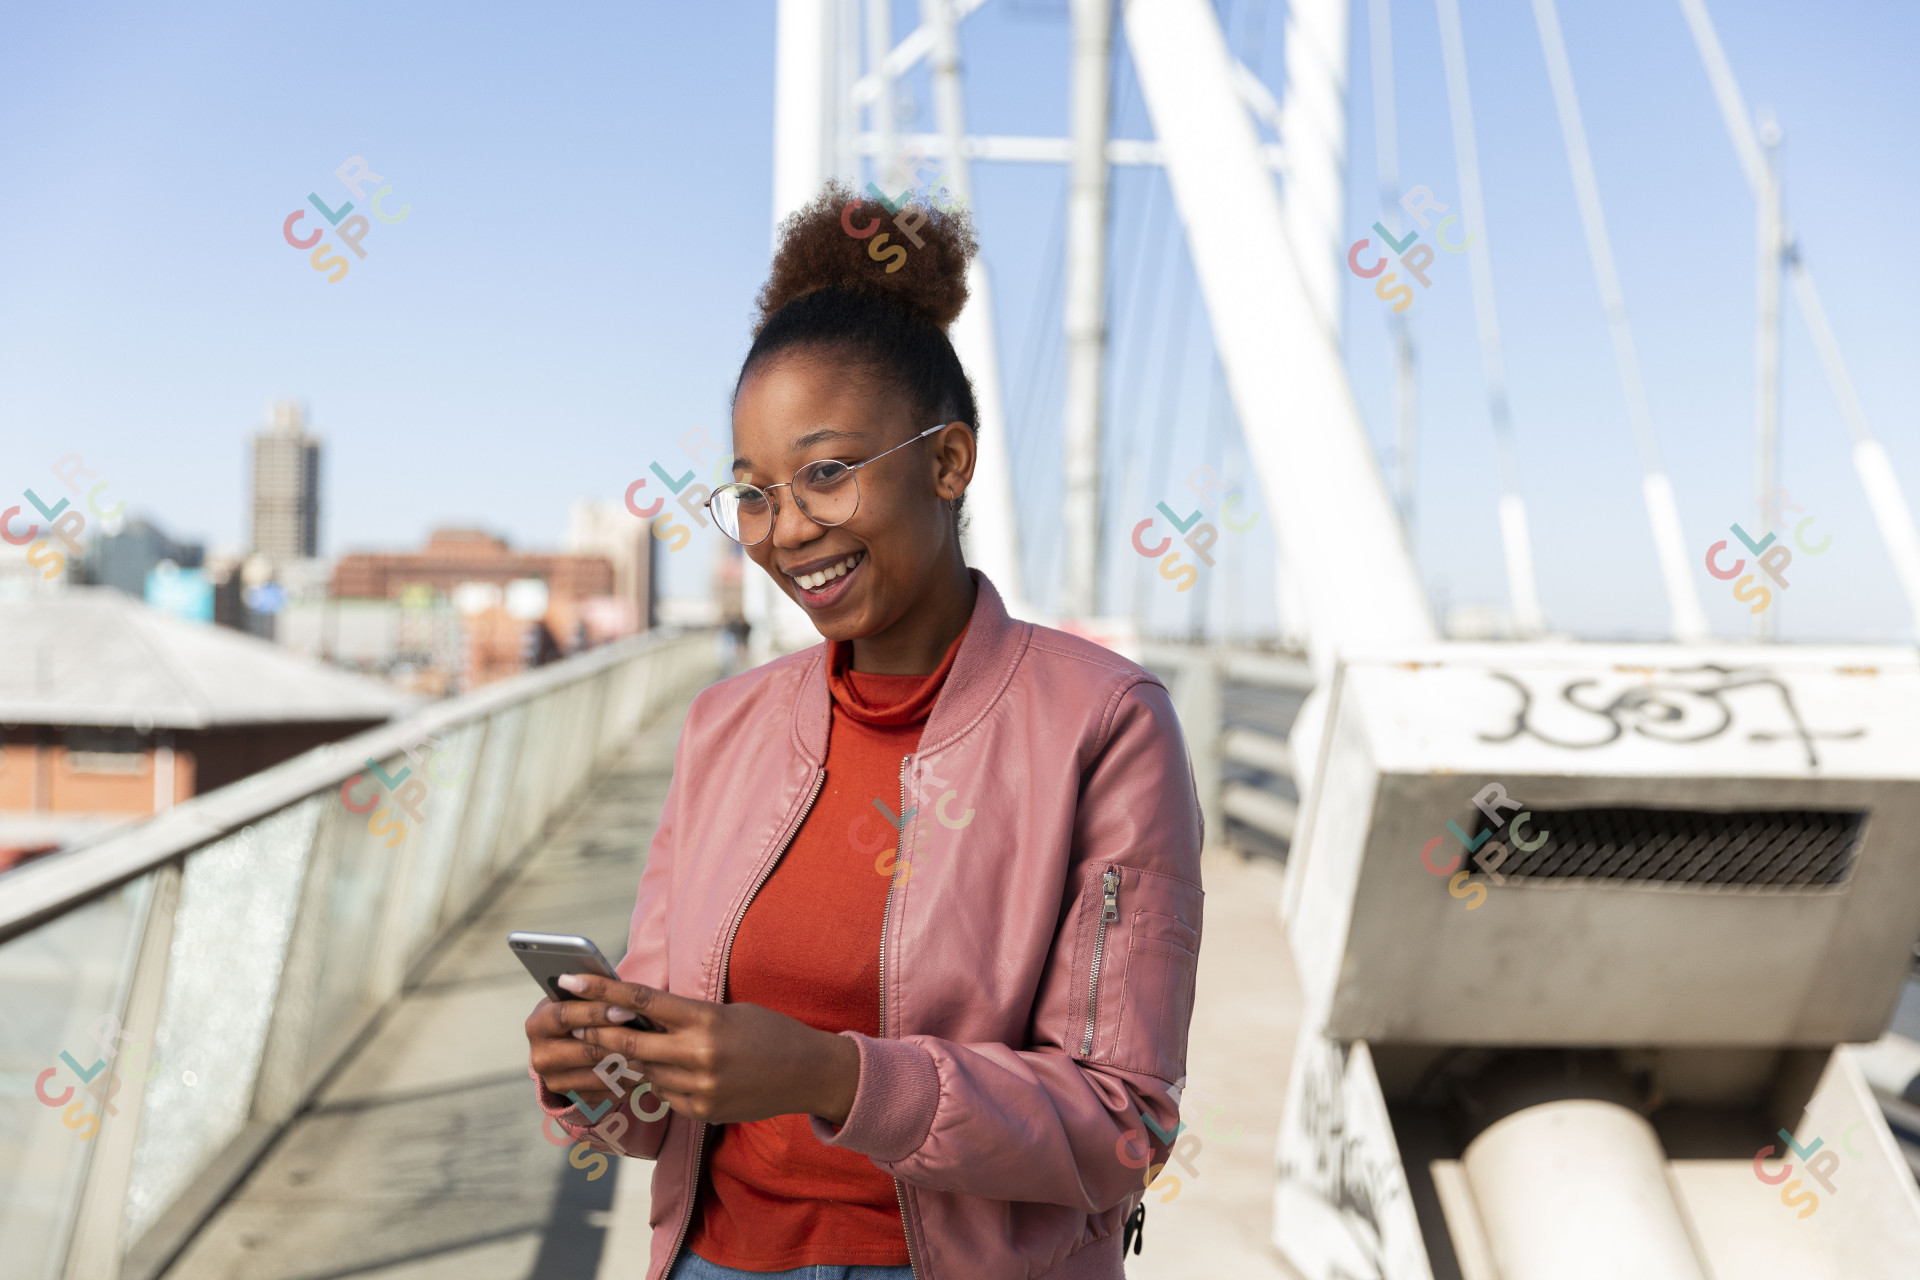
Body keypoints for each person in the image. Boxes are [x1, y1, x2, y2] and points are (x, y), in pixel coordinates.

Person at [525, 180, 1204, 1280]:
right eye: (752, 492)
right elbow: (663, 1104)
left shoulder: (1105, 722)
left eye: (827, 473)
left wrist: (834, 1077)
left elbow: (1123, 1125)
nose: (787, 530)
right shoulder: (724, 725)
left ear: (949, 462)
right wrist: (595, 1072)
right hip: (714, 1259)